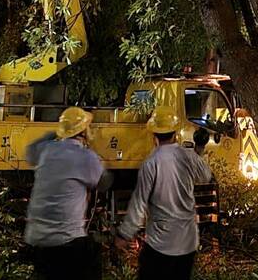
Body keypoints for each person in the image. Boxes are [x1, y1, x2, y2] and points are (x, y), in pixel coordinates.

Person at [115, 112, 214, 280]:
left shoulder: (151, 163)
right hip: (187, 242)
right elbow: (205, 176)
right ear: (175, 134)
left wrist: (125, 234)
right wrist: (199, 150)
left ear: (154, 136)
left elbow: (139, 203)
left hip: (160, 243)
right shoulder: (188, 156)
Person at [25, 106, 112, 279]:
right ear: (84, 132)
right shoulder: (84, 156)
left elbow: (30, 152)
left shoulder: (46, 151)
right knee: (92, 255)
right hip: (67, 241)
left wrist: (52, 135)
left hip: (37, 240)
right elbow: (104, 182)